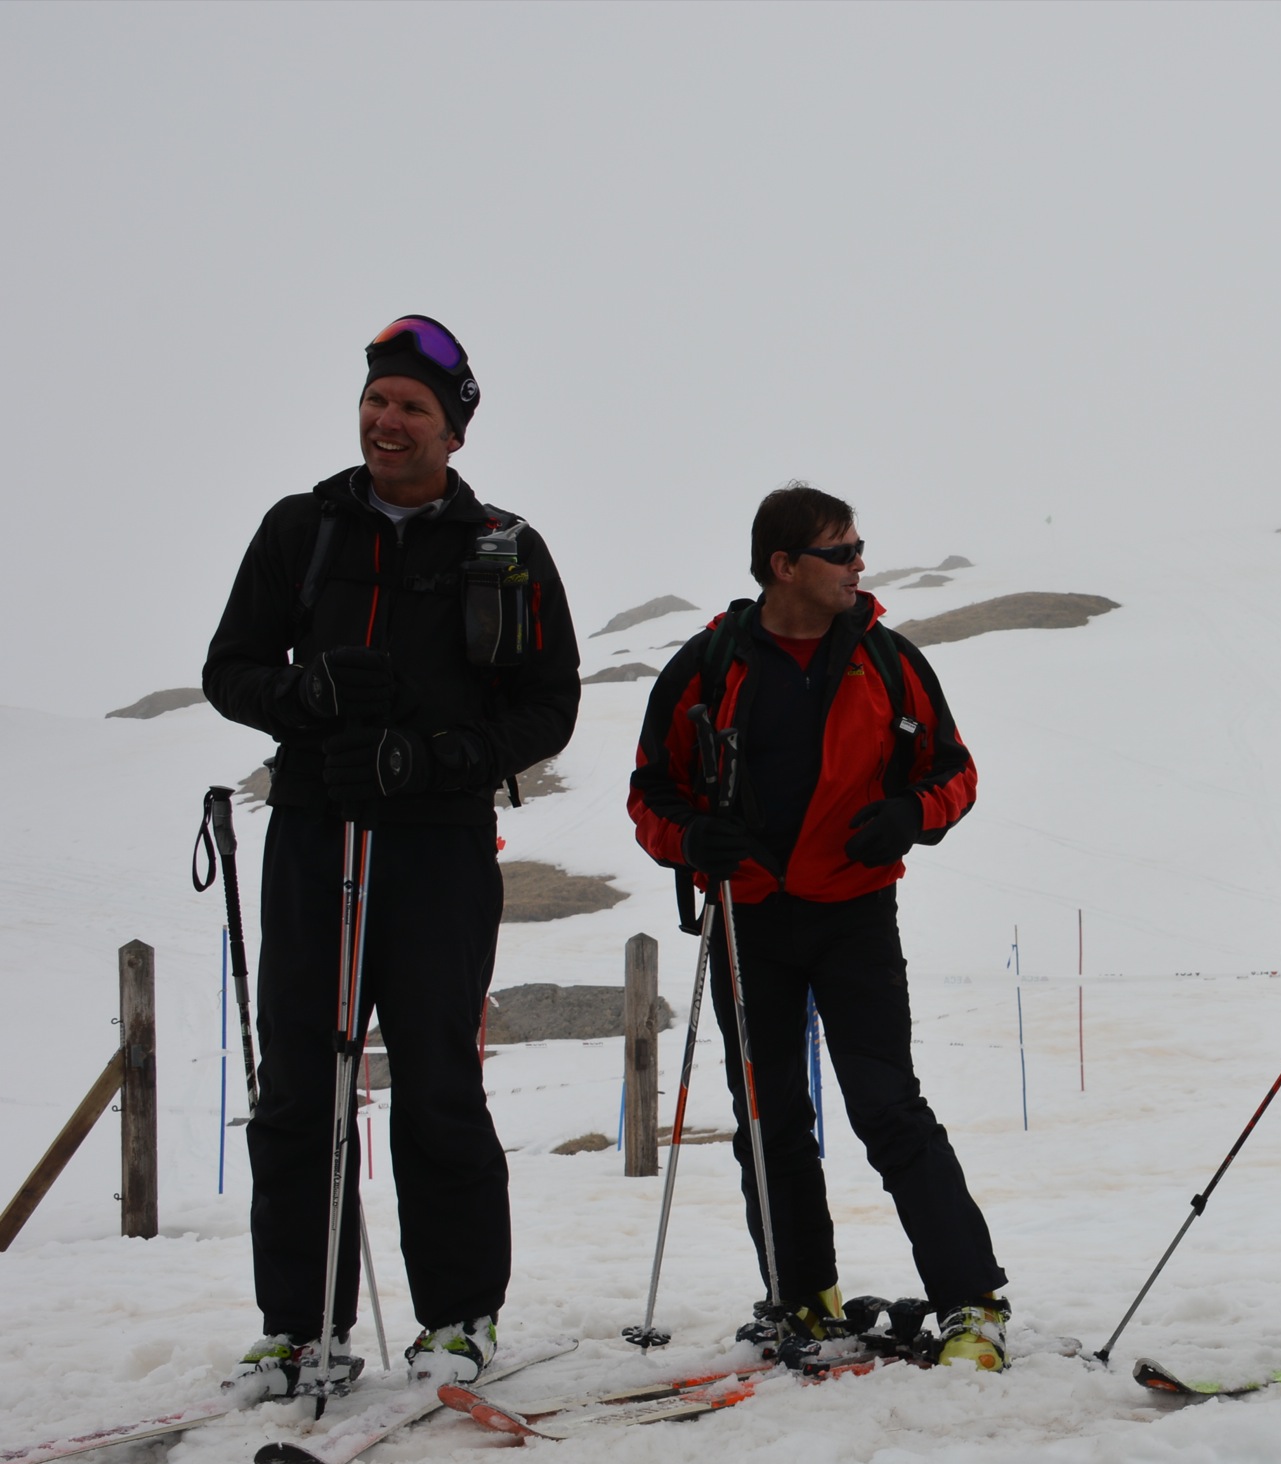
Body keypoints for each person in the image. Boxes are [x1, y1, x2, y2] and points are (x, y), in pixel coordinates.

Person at [202, 316, 580, 1392]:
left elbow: (547, 704)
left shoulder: (505, 547)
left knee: (437, 1078)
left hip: (438, 845)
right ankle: (300, 1326)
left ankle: (458, 1318)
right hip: (314, 827)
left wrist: (444, 756)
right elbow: (229, 669)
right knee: (299, 1086)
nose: (387, 420)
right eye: (377, 400)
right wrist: (305, 693)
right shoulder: (302, 529)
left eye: (413, 406)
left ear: (453, 431)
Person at [627, 485, 1010, 1368]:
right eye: (841, 551)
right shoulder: (708, 665)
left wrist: (910, 814)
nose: (859, 565)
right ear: (783, 565)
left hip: (854, 914)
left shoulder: (889, 659)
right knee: (770, 1119)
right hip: (747, 917)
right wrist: (692, 839)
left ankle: (973, 1302)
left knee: (888, 1106)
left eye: (857, 548)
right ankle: (802, 1298)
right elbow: (651, 793)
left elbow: (955, 772)